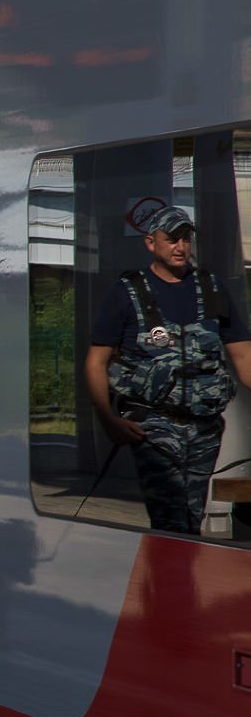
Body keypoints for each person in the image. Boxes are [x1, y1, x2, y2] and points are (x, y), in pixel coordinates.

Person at [84, 204, 251, 534]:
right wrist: (108, 419)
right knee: (170, 517)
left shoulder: (211, 289)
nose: (180, 246)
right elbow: (96, 363)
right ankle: (170, 580)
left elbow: (243, 357)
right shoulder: (126, 293)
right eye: (171, 238)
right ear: (151, 243)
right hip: (154, 426)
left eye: (186, 239)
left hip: (204, 426)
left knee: (190, 514)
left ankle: (169, 582)